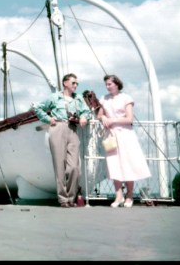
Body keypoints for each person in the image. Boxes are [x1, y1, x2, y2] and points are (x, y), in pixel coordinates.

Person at [33, 73, 92, 208]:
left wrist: (84, 117)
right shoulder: (55, 97)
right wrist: (48, 119)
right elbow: (38, 108)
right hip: (58, 127)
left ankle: (71, 197)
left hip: (72, 129)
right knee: (59, 165)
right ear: (65, 83)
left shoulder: (78, 99)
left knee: (74, 168)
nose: (76, 85)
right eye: (73, 83)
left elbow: (86, 112)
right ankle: (63, 199)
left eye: (77, 83)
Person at [97, 74, 151, 208]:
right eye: (106, 84)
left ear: (116, 84)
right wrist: (103, 118)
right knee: (114, 164)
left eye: (110, 84)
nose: (107, 87)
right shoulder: (103, 98)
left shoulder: (126, 98)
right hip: (111, 135)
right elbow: (99, 114)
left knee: (128, 163)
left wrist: (112, 120)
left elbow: (129, 119)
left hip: (126, 134)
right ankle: (118, 196)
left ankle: (129, 195)